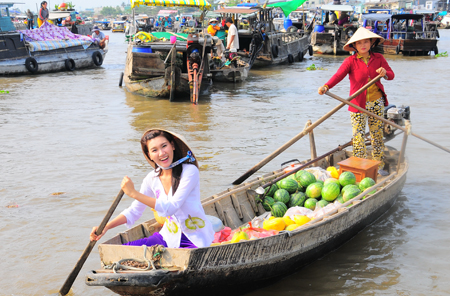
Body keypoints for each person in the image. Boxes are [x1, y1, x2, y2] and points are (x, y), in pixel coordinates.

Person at [90, 129, 215, 249]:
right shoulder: (152, 178)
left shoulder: (189, 171)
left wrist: (133, 193)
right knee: (121, 252)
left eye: (164, 146)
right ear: (149, 155)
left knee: (175, 264)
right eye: (154, 150)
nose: (161, 153)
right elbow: (134, 210)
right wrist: (106, 227)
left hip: (196, 239)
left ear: (173, 146)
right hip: (168, 237)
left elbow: (171, 208)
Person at [317, 27, 394, 176]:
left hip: (376, 102)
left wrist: (384, 73)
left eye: (366, 42)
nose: (363, 45)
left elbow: (391, 74)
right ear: (354, 46)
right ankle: (360, 167)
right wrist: (326, 86)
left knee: (376, 135)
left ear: (371, 43)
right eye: (359, 43)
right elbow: (338, 75)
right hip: (357, 104)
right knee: (358, 137)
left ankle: (379, 165)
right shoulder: (350, 61)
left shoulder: (378, 58)